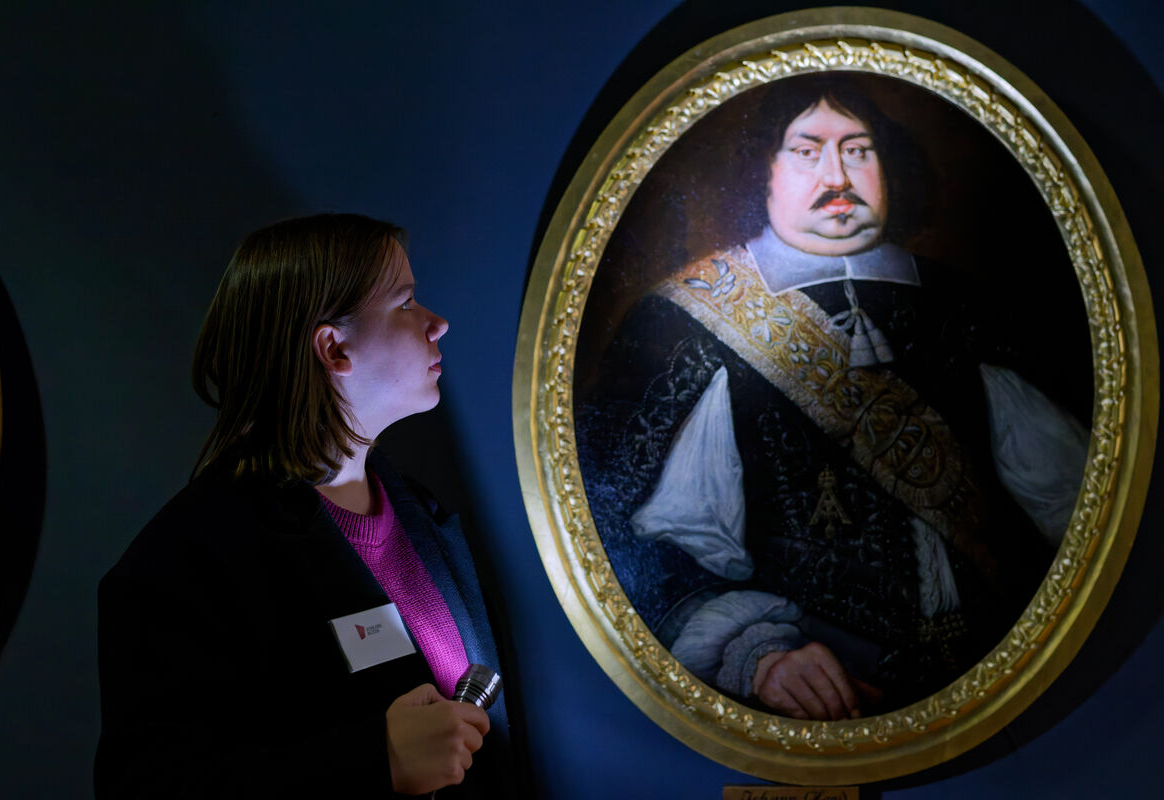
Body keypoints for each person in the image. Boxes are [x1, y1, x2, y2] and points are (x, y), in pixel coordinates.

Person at [576, 75, 1088, 721]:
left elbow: (1071, 500)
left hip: (998, 690)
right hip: (817, 688)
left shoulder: (962, 307)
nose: (837, 174)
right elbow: (640, 541)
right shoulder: (686, 323)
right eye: (807, 149)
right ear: (762, 170)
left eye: (859, 149)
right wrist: (758, 652)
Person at [96, 215, 515, 797]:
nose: (437, 323)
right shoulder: (183, 562)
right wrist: (375, 759)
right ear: (333, 346)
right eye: (406, 302)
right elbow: (147, 786)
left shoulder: (423, 515)